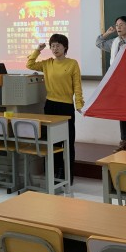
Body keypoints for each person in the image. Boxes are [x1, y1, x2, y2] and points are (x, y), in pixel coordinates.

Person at [27, 34, 83, 183]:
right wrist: (38, 50)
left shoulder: (72, 64)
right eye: (52, 46)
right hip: (50, 105)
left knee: (68, 141)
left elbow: (77, 85)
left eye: (58, 45)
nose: (55, 48)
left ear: (65, 47)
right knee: (52, 142)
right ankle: (54, 173)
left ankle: (67, 175)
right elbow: (30, 64)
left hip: (66, 106)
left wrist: (79, 103)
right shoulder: (47, 63)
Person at [95, 16, 126, 151]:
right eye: (117, 25)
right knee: (122, 112)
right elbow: (99, 43)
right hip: (118, 82)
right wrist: (107, 33)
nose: (118, 27)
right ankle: (124, 141)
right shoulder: (115, 42)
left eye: (122, 24)